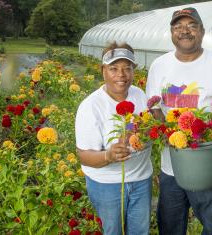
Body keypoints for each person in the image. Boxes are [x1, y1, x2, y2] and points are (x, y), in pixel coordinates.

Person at [146, 7, 212, 235]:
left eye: (191, 26)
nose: (185, 31)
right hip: (172, 164)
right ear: (172, 32)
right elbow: (154, 106)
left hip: (211, 164)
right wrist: (165, 129)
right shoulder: (159, 66)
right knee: (170, 225)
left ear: (202, 31)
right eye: (178, 27)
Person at [75, 42, 153, 235]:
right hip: (107, 185)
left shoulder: (139, 95)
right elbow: (84, 156)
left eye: (127, 68)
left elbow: (145, 128)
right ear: (103, 71)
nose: (121, 74)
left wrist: (145, 135)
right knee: (113, 232)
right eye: (114, 68)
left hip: (141, 180)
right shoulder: (91, 106)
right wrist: (109, 155)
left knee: (140, 231)